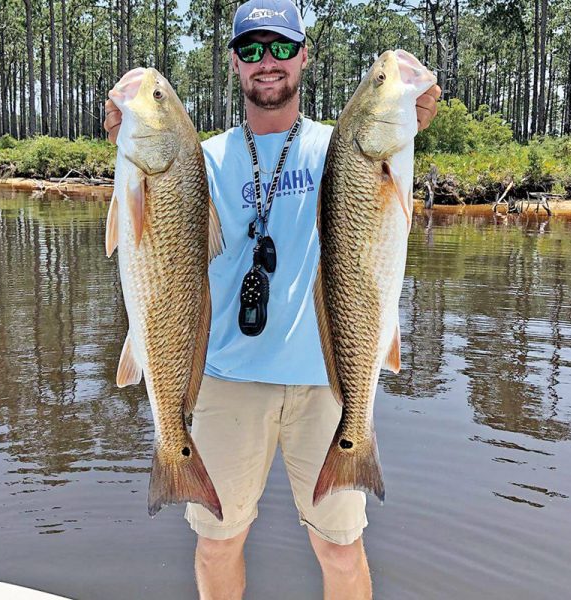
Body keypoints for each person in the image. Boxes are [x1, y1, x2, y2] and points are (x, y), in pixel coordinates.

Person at [104, 1, 441, 598]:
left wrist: (410, 118)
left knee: (341, 550)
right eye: (253, 49)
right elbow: (151, 235)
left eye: (282, 48)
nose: (268, 63)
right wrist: (124, 134)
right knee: (217, 543)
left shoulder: (341, 149)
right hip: (224, 378)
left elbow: (384, 191)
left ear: (303, 57)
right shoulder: (197, 159)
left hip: (327, 380)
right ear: (235, 62)